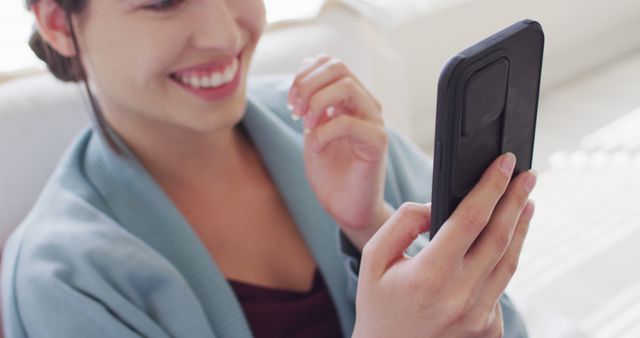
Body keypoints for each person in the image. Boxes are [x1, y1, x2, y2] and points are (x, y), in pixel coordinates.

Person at [1, 0, 536, 337]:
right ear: (57, 22)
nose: (223, 34)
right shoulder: (59, 280)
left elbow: (507, 325)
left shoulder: (339, 128)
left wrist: (369, 225)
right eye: (163, 3)